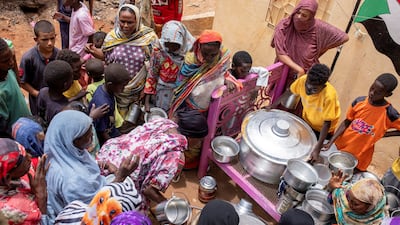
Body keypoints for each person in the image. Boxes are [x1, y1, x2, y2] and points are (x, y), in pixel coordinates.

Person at [45, 110, 138, 222]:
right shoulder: (73, 181)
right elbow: (94, 211)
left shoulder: (63, 153)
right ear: (74, 140)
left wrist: (104, 165)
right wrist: (120, 177)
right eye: (89, 135)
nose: (92, 136)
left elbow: (83, 163)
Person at [256, 0, 349, 108]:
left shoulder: (318, 28)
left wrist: (320, 50)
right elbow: (280, 52)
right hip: (285, 74)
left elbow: (344, 37)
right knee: (277, 102)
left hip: (305, 79)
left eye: (304, 15)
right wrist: (299, 69)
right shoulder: (285, 25)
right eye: (298, 12)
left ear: (311, 18)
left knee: (296, 108)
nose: (299, 17)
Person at [96, 117, 188, 211]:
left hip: (108, 154)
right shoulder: (175, 157)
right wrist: (168, 205)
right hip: (123, 174)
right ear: (192, 138)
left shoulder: (162, 121)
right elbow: (148, 190)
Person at [85, 3, 159, 119]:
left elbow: (155, 65)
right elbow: (106, 57)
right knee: (116, 119)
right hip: (117, 90)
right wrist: (93, 51)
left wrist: (147, 89)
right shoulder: (112, 37)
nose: (125, 26)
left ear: (138, 21)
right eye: (122, 21)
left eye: (130, 22)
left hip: (138, 90)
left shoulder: (149, 38)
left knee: (135, 119)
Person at [323, 73, 400, 172]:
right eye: (372, 88)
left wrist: (383, 134)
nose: (372, 93)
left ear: (388, 94)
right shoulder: (359, 102)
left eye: (378, 92)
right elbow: (346, 122)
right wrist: (331, 141)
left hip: (360, 155)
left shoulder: (389, 113)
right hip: (341, 146)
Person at [282, 64, 340, 162]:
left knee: (312, 156)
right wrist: (273, 105)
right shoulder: (303, 80)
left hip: (323, 130)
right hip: (307, 121)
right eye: (307, 86)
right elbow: (289, 91)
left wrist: (317, 148)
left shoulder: (329, 96)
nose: (308, 91)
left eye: (314, 89)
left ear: (323, 86)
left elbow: (327, 123)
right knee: (301, 147)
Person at [168, 30, 231, 118]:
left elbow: (224, 70)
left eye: (213, 55)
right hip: (193, 101)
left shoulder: (223, 56)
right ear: (199, 47)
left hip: (213, 98)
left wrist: (227, 78)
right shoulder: (191, 60)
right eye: (205, 54)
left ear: (219, 49)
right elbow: (182, 83)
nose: (209, 58)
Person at [144, 20, 195, 112]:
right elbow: (152, 74)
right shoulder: (159, 49)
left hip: (181, 93)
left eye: (175, 45)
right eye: (168, 45)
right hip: (161, 93)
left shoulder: (191, 52)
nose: (170, 49)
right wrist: (147, 102)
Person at [0, 138, 49, 224]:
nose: (30, 156)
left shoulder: (13, 177)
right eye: (24, 159)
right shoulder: (20, 210)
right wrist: (41, 197)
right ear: (8, 178)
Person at [19, 20, 59, 115]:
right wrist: (38, 94)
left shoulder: (59, 55)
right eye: (45, 40)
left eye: (52, 38)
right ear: (36, 40)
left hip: (56, 100)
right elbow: (22, 82)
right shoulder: (28, 58)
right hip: (37, 102)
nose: (50, 43)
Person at [89, 63, 130, 145]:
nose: (124, 89)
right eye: (122, 86)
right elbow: (102, 131)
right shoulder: (103, 104)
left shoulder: (103, 88)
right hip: (105, 136)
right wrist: (113, 144)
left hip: (110, 127)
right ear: (110, 85)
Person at [0, 38, 31, 138]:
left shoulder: (7, 71)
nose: (11, 63)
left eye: (11, 57)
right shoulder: (1, 92)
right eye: (6, 61)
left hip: (27, 124)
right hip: (18, 137)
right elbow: (3, 129)